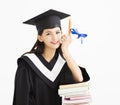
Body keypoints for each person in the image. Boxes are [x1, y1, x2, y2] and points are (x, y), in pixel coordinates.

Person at [12, 9, 90, 105]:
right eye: (48, 34)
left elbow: (79, 79)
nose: (54, 38)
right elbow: (21, 99)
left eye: (57, 32)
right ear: (40, 37)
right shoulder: (27, 64)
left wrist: (65, 49)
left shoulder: (63, 62)